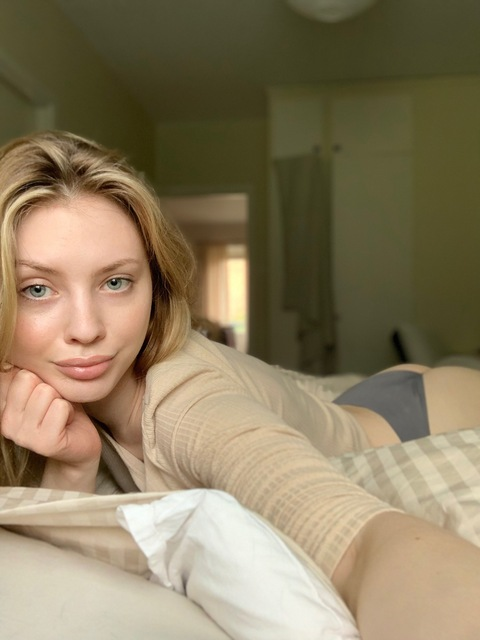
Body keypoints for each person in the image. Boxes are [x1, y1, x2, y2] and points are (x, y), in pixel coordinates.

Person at [0, 130, 479, 639]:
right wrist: (73, 466)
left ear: (154, 286)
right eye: (37, 289)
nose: (87, 328)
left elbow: (357, 540)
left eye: (116, 282)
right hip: (339, 399)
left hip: (421, 410)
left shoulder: (186, 407)